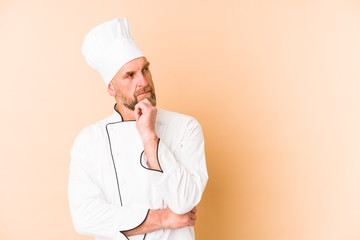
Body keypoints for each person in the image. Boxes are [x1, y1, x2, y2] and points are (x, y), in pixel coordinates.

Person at [68, 17, 208, 240]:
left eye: (145, 69)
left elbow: (184, 201)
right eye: (130, 75)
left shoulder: (186, 127)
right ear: (111, 89)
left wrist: (149, 136)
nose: (143, 81)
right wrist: (163, 219)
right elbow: (84, 217)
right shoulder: (90, 140)